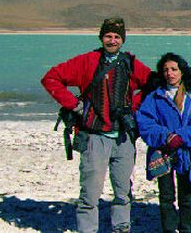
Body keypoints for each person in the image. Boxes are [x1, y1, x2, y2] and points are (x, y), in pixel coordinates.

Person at [41, 17, 152, 233]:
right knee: (90, 193)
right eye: (108, 36)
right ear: (101, 37)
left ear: (123, 40)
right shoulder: (87, 61)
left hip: (123, 138)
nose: (112, 40)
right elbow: (51, 78)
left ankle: (121, 228)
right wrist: (74, 104)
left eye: (117, 37)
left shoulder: (131, 63)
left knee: (122, 192)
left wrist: (134, 106)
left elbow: (153, 83)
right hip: (93, 136)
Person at [136, 53, 191, 233]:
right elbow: (145, 123)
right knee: (166, 195)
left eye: (174, 69)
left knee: (186, 195)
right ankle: (168, 229)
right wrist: (166, 136)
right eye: (166, 70)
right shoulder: (154, 97)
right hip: (163, 151)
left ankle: (186, 228)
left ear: (182, 71)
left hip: (185, 152)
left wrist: (181, 136)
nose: (170, 73)